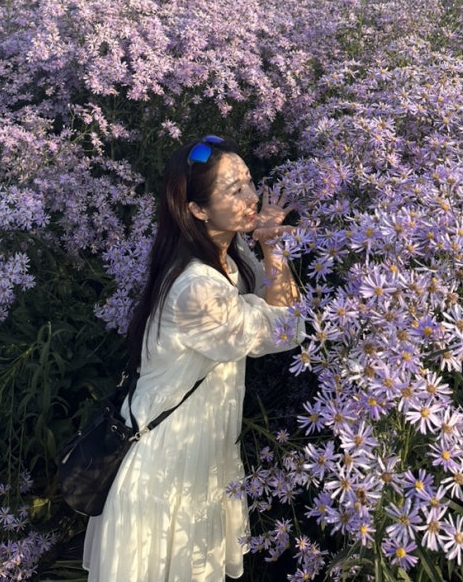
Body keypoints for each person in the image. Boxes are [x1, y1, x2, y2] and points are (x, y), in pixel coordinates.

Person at [82, 135, 304, 582]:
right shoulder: (197, 288)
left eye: (249, 181)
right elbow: (287, 329)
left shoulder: (231, 257)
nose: (252, 197)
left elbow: (280, 309)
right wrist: (274, 249)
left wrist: (266, 245)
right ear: (198, 210)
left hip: (201, 452)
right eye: (234, 189)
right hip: (165, 469)